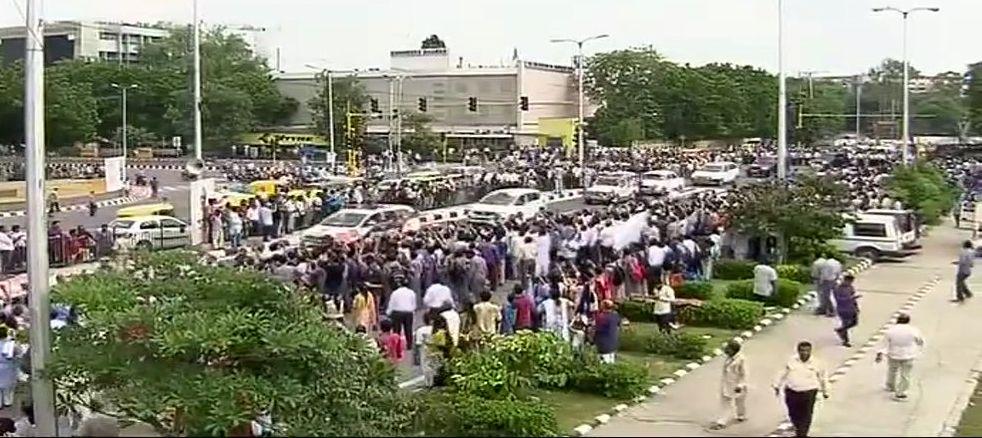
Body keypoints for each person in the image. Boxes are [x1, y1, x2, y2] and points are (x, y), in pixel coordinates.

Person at [774, 341, 828, 437]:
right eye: (802, 350)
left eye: (807, 350)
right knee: (793, 413)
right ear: (798, 351)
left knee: (806, 414)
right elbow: (782, 373)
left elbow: (823, 377)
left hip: (809, 392)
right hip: (792, 391)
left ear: (810, 351)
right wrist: (776, 385)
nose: (805, 353)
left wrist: (825, 391)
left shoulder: (817, 363)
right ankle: (799, 429)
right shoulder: (791, 361)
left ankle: (802, 434)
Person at [875, 313, 924, 400]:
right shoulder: (913, 330)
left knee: (892, 370)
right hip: (908, 354)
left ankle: (890, 385)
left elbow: (885, 343)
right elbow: (920, 341)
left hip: (894, 354)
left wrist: (880, 353)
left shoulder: (891, 330)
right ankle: (901, 392)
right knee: (905, 374)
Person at [711, 340, 747, 430]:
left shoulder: (741, 359)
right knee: (726, 403)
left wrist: (740, 385)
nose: (726, 350)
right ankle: (721, 422)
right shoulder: (729, 357)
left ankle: (741, 415)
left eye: (728, 349)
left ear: (734, 350)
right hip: (727, 384)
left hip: (737, 385)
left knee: (740, 402)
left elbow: (744, 374)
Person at [386, 278, 417, 348]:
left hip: (397, 312)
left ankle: (396, 345)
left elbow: (391, 303)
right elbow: (414, 304)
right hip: (408, 312)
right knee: (408, 329)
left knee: (396, 330)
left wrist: (388, 312)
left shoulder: (395, 292)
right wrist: (412, 310)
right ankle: (409, 344)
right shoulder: (411, 292)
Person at [833, 274, 860, 347]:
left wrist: (856, 306)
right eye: (849, 281)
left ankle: (840, 330)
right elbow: (839, 300)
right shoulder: (838, 289)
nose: (850, 283)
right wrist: (851, 298)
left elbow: (853, 298)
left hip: (851, 308)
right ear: (845, 280)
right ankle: (845, 340)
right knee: (845, 323)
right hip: (843, 309)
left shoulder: (851, 287)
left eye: (851, 282)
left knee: (854, 322)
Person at [414, 313, 435, 386]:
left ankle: (427, 382)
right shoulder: (434, 329)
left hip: (423, 349)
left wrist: (415, 355)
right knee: (433, 364)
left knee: (425, 365)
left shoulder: (420, 330)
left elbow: (418, 343)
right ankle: (432, 381)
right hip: (434, 348)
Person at [0, 327, 19, 407]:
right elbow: (18, 353)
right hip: (9, 366)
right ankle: (8, 401)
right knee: (8, 386)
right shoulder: (11, 344)